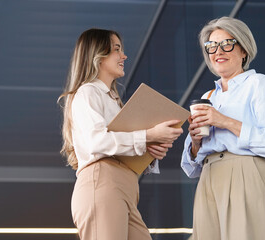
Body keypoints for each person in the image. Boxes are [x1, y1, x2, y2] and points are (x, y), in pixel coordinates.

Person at [58, 28, 183, 240]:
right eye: (116, 49)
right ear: (98, 54)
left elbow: (119, 146)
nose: (124, 56)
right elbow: (97, 142)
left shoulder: (114, 101)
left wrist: (150, 149)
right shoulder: (88, 92)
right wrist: (147, 136)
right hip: (103, 182)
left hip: (123, 187)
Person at [181, 17, 265, 240]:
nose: (218, 51)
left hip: (245, 171)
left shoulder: (259, 85)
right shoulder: (207, 97)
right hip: (209, 177)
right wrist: (195, 143)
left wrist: (225, 121)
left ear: (243, 50)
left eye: (226, 44)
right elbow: (190, 167)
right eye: (212, 46)